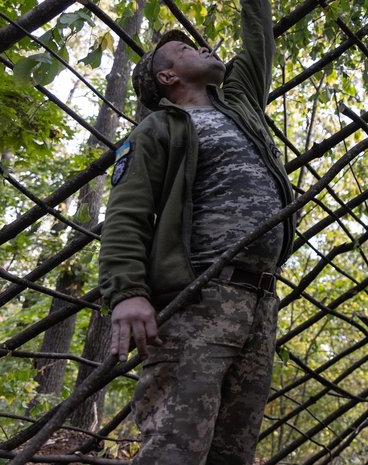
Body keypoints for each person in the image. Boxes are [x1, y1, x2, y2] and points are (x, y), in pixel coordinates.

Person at [97, 0, 294, 462]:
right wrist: (126, 292)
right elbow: (126, 212)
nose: (203, 47)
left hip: (260, 304)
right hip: (198, 301)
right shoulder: (157, 129)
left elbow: (258, 42)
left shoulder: (242, 108)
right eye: (185, 48)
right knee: (176, 447)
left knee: (233, 453)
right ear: (168, 77)